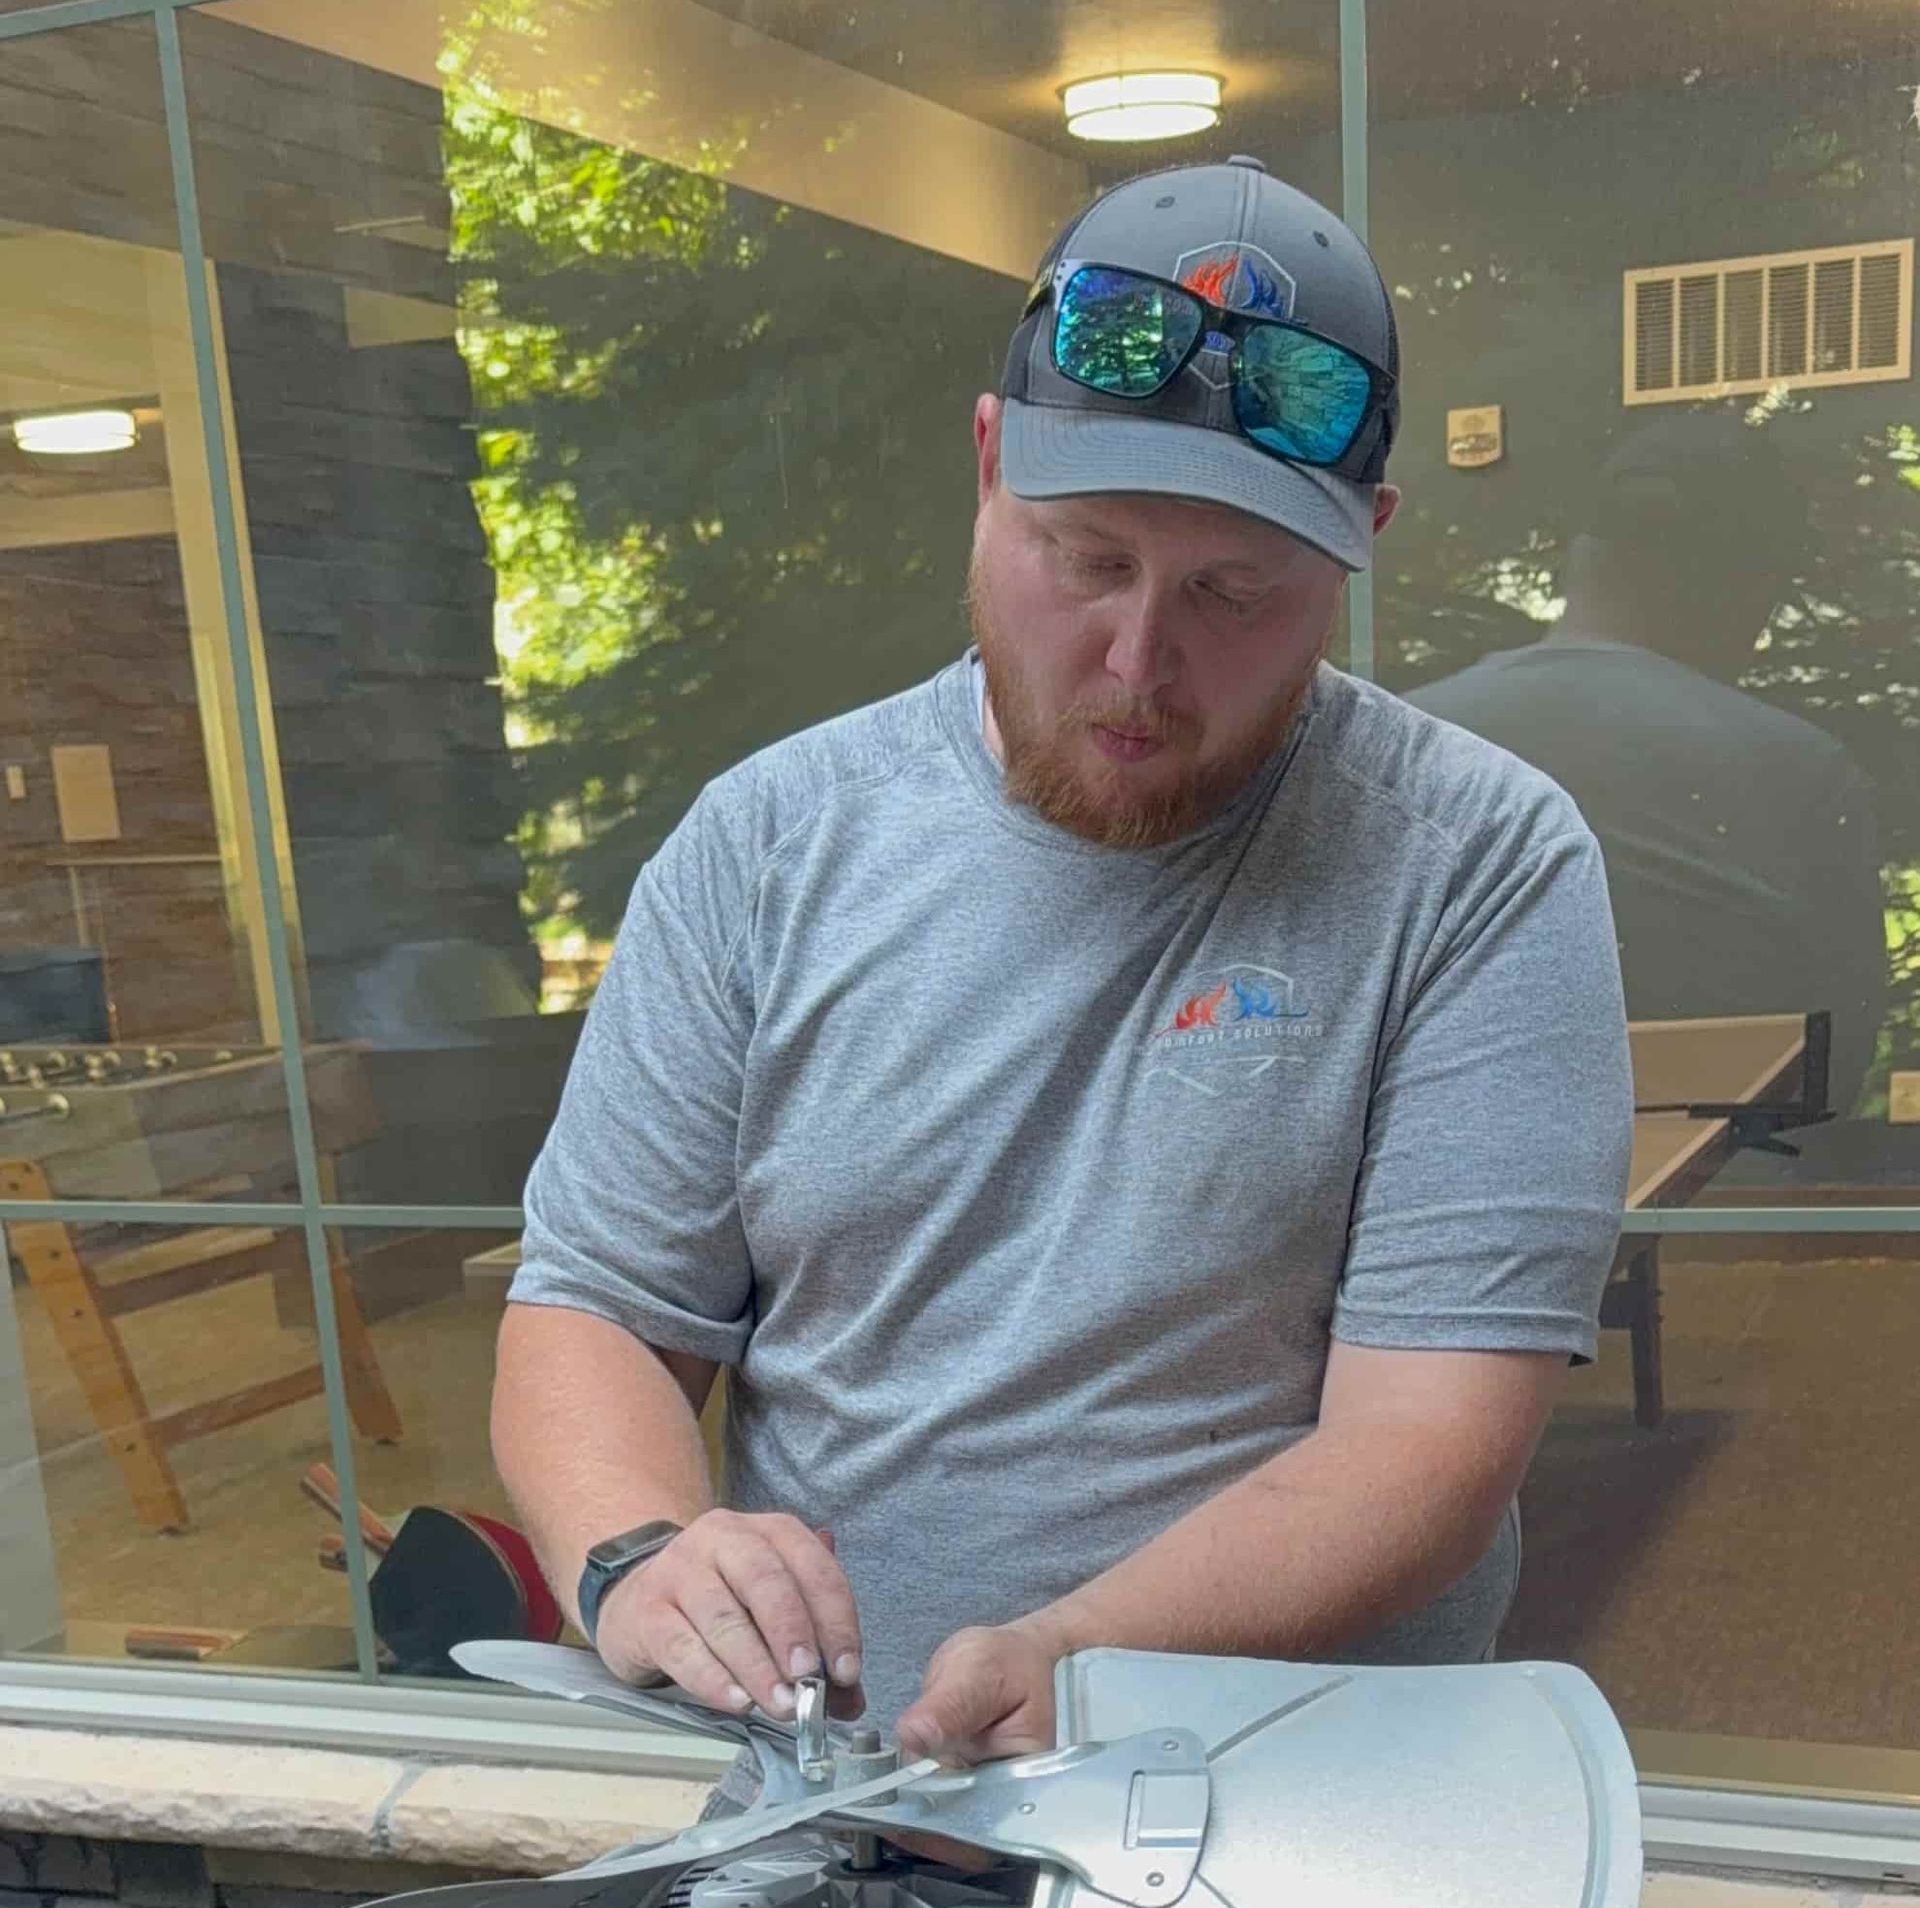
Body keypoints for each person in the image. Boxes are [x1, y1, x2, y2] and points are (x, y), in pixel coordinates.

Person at [492, 153, 1633, 1765]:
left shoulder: (1479, 864)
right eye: (1083, 556)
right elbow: (599, 1309)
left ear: (1360, 543)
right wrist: (636, 1550)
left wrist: (1081, 1653)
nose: (1137, 657)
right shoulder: (766, 845)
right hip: (826, 1799)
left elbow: (1428, 1453)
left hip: (1292, 1791)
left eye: (1234, 591)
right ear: (984, 465)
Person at [1410, 414, 1885, 1109]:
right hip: (1730, 1201)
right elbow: (1836, 1060)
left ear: (1584, 560)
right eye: (1772, 587)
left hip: (1444, 1193)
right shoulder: (1799, 767)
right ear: (1734, 581)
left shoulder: (1412, 744)